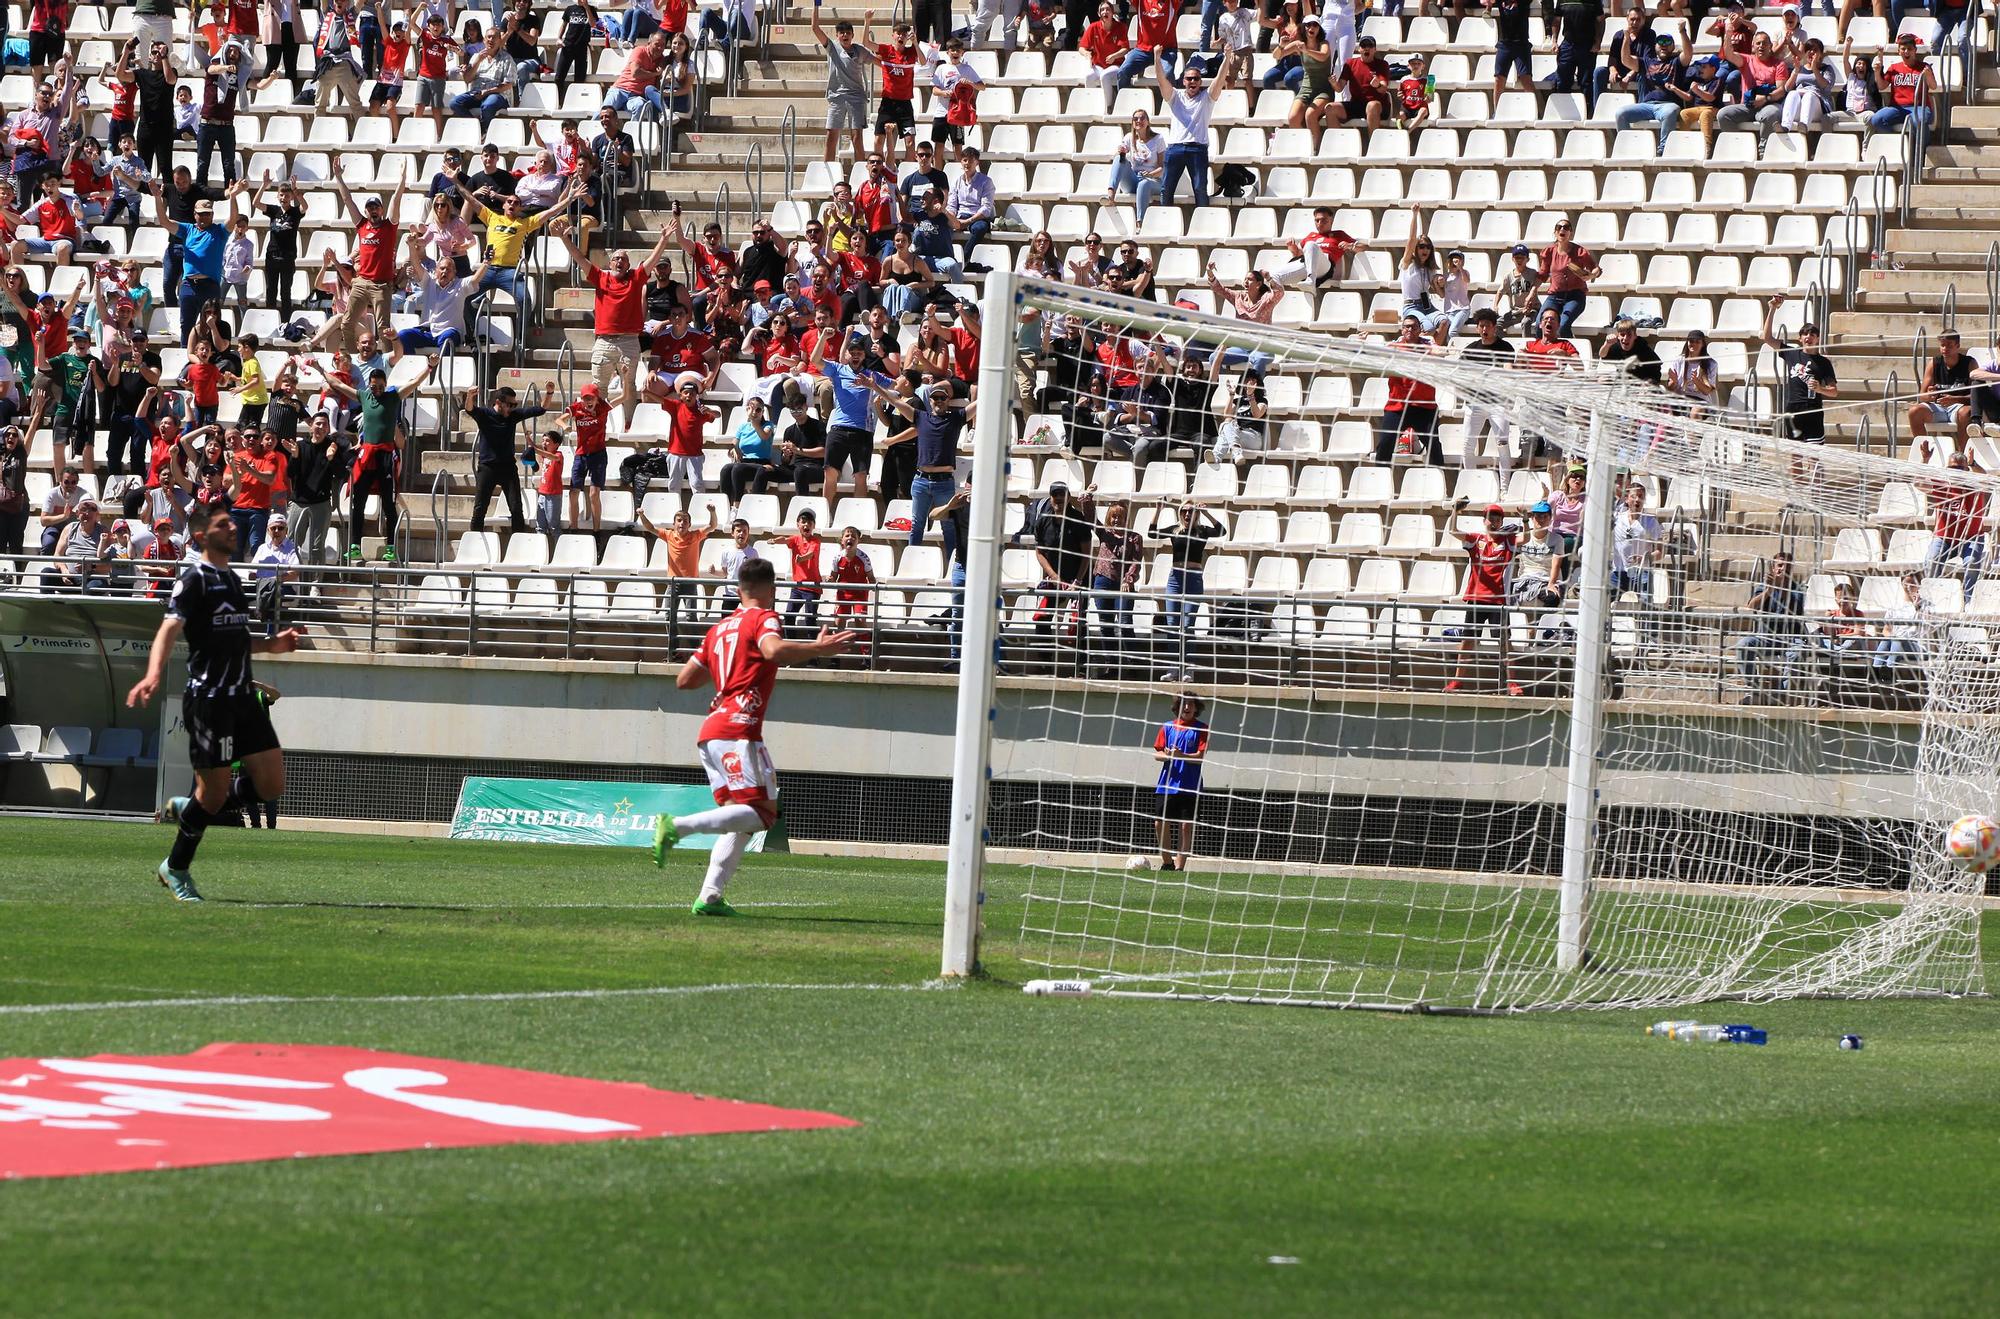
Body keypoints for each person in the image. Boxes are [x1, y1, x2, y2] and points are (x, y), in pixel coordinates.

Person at [650, 557, 859, 913]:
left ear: (738, 589)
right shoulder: (764, 617)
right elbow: (773, 650)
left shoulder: (719, 629)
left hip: (711, 732)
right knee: (764, 814)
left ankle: (710, 896)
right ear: (770, 590)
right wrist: (818, 650)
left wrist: (724, 676)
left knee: (739, 817)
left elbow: (684, 680)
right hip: (739, 730)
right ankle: (677, 826)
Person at [125, 500, 305, 903]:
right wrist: (153, 674)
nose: (233, 529)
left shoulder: (233, 581)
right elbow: (170, 628)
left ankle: (192, 807)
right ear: (203, 536)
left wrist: (272, 644)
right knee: (215, 795)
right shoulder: (195, 580)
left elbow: (237, 638)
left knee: (272, 784)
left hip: (243, 697)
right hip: (210, 700)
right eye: (224, 525)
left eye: (232, 523)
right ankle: (175, 867)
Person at [555, 214, 676, 431]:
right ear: (610, 263)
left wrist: (664, 239)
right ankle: (597, 423)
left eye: (624, 259)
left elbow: (652, 261)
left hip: (629, 342)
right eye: (616, 259)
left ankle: (629, 425)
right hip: (603, 341)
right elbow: (580, 259)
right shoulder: (600, 277)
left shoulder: (636, 278)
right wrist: (565, 240)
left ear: (628, 265)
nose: (620, 261)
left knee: (628, 385)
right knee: (598, 387)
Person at [1446, 498, 1523, 695]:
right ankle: (1457, 680)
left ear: (1501, 521)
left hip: (1498, 601)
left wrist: (1527, 521)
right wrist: (1455, 511)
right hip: (1476, 598)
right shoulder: (1476, 539)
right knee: (1467, 641)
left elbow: (1528, 539)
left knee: (1505, 642)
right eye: (1490, 518)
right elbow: (1453, 531)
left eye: (1497, 518)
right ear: (1484, 520)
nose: (1493, 521)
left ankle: (1512, 683)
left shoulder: (1508, 541)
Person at [1760, 295, 1836, 478]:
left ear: (1817, 338)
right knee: (1796, 457)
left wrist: (1820, 389)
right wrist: (1772, 309)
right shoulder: (1791, 354)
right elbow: (1766, 337)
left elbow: (1834, 392)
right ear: (1800, 338)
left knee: (1814, 457)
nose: (1808, 337)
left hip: (1813, 410)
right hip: (1793, 409)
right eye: (1805, 334)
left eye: (1812, 334)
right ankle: (1798, 500)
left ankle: (1816, 497)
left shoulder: (1823, 362)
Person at [461, 383, 546, 535]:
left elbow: (539, 409)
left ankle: (518, 543)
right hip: (488, 467)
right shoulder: (485, 414)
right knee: (480, 507)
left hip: (508, 467)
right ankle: (473, 540)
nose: (512, 408)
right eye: (510, 404)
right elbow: (470, 409)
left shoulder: (512, 416)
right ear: (498, 402)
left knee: (516, 508)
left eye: (515, 404)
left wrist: (550, 392)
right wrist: (469, 396)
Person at [1156, 47, 1234, 209]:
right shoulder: (1175, 96)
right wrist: (1157, 58)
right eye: (1189, 79)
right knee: (1166, 189)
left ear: (1200, 81)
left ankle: (1204, 222)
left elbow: (1219, 80)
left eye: (1196, 79)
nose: (1193, 82)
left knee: (1200, 189)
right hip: (1175, 148)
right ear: (1183, 81)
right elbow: (1161, 81)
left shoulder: (1207, 98)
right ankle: (1165, 222)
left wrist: (1227, 58)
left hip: (1197, 150)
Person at [1917, 440, 1988, 605]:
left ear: (1966, 469)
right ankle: (1931, 600)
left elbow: (1985, 478)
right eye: (1952, 468)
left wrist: (1973, 463)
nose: (1956, 472)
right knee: (1931, 560)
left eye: (1960, 468)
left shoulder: (1974, 484)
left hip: (1971, 537)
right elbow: (1918, 483)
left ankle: (1970, 601)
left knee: (1971, 563)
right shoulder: (1941, 485)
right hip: (1945, 538)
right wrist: (1925, 460)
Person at [1734, 550, 1805, 701]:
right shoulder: (1764, 586)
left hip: (1790, 637)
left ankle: (1783, 695)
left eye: (1787, 566)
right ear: (1773, 568)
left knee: (1797, 652)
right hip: (1766, 636)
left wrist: (1782, 587)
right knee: (1744, 645)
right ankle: (1753, 690)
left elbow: (1793, 611)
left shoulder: (1797, 588)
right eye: (1779, 565)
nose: (1782, 569)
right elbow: (1751, 606)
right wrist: (1770, 590)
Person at [813, 8, 876, 168]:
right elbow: (815, 28)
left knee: (856, 137)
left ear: (852, 35)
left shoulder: (859, 50)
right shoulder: (832, 48)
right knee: (831, 135)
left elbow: (879, 61)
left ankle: (862, 172)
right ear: (837, 35)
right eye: (842, 33)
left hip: (856, 98)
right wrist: (816, 5)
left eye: (848, 32)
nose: (845, 35)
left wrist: (899, 66)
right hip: (836, 98)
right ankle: (826, 171)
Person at [1152, 694, 1208, 872]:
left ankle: (1179, 867)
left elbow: (1200, 758)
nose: (1187, 708)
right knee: (1160, 823)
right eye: (1184, 704)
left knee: (1185, 826)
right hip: (1167, 784)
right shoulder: (1167, 727)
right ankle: (1167, 862)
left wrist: (1180, 755)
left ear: (1196, 708)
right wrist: (1168, 755)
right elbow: (1157, 754)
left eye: (1191, 705)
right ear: (1178, 707)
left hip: (1190, 785)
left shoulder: (1202, 729)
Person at [1910, 329, 1974, 449]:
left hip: (1959, 407)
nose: (1945, 349)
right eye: (1942, 345)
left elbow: (1976, 396)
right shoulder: (1934, 363)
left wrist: (1955, 399)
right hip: (1938, 407)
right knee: (1914, 411)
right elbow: (1921, 396)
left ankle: (1962, 456)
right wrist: (1930, 396)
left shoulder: (1969, 363)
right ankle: (1924, 452)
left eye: (1949, 345)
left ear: (1958, 346)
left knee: (1966, 413)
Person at [1867, 32, 1936, 143]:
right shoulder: (1894, 68)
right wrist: (1877, 72)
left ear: (1915, 50)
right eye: (1903, 49)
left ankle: (1923, 152)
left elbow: (1933, 86)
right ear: (1899, 51)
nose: (1906, 52)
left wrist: (1928, 75)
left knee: (1917, 121)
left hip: (1919, 107)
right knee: (1877, 120)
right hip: (1897, 108)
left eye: (1909, 49)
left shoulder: (1924, 67)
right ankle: (1896, 145)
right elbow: (1882, 86)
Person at [1537, 216, 1600, 338]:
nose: (1562, 229)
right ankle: (1540, 353)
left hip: (1575, 296)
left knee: (1562, 325)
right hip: (1554, 296)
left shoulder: (1579, 251)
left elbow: (1596, 268)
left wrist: (1591, 275)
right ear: (1555, 232)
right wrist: (1532, 292)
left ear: (1570, 232)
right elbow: (1543, 274)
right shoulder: (1549, 251)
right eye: (1559, 227)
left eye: (1566, 227)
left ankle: (1570, 353)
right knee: (1540, 324)